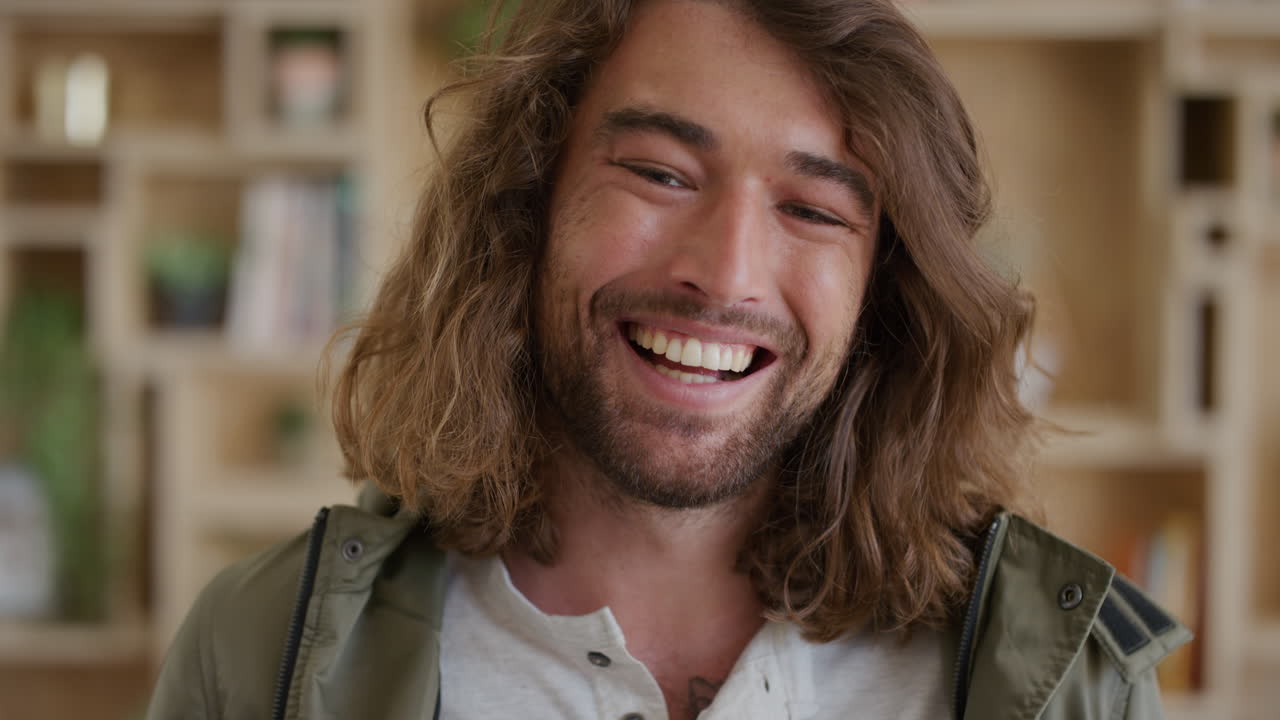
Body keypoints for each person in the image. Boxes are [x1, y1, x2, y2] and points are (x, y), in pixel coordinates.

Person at [147, 1, 1190, 718]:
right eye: (657, 171)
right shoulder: (257, 652)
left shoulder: (1073, 686)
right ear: (528, 207)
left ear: (885, 286)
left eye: (812, 207)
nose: (724, 272)